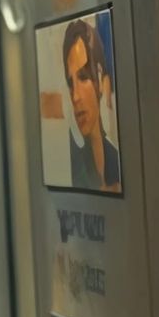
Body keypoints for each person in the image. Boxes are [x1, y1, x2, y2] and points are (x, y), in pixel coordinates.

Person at [62, 19, 122, 193]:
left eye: (83, 77)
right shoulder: (77, 168)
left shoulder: (117, 160)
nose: (75, 96)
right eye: (70, 82)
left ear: (101, 81)